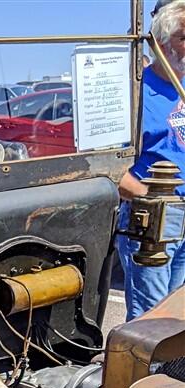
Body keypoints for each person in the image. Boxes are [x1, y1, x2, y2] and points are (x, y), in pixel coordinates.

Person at [117, 0, 185, 320]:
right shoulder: (134, 93)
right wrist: (151, 200)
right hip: (152, 220)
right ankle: (144, 372)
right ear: (159, 43)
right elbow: (112, 171)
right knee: (151, 320)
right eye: (184, 38)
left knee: (176, 317)